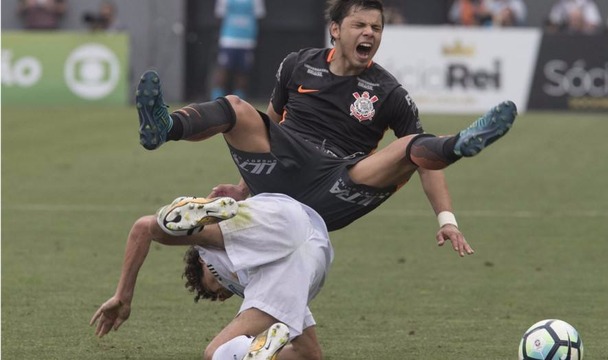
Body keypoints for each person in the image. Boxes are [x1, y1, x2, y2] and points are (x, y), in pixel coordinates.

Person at [135, 0, 518, 257]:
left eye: (376, 27)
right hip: (283, 166)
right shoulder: (297, 65)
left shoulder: (389, 93)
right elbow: (270, 125)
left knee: (412, 146)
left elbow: (421, 163)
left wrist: (446, 220)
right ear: (335, 29)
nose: (369, 33)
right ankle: (166, 126)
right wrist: (242, 187)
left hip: (335, 184)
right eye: (360, 25)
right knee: (236, 107)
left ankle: (460, 143)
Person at [91, 192, 332, 360]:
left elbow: (143, 228)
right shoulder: (259, 287)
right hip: (304, 238)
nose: (223, 294)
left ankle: (245, 350)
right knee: (222, 352)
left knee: (216, 352)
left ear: (200, 263)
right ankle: (253, 350)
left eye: (216, 286)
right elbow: (309, 353)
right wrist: (123, 296)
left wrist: (123, 296)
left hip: (288, 246)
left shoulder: (207, 253)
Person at [210, 0, 266, 100]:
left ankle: (238, 100)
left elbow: (259, 17)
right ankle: (216, 99)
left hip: (247, 41)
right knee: (222, 69)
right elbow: (219, 16)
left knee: (243, 72)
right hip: (228, 39)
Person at [449, 0, 526, 27]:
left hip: (506, 34)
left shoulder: (514, 2)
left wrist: (508, 13)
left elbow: (519, 15)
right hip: (477, 32)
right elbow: (453, 16)